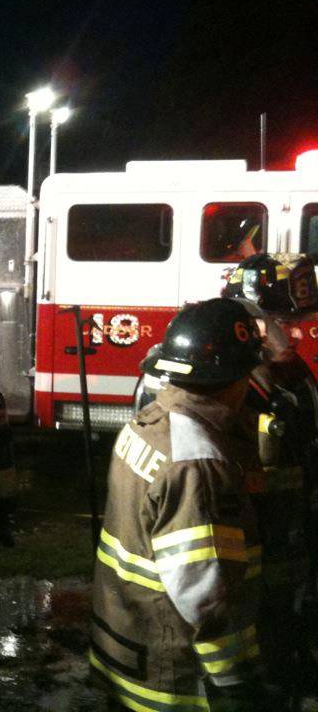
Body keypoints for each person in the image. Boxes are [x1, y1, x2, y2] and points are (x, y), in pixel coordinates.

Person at [90, 298, 266, 711]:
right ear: (237, 377)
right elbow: (205, 593)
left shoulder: (150, 422)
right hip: (172, 676)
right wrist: (237, 682)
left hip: (125, 649)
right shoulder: (198, 462)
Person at [221, 252, 318, 704]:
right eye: (274, 319)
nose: (287, 330)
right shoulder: (233, 377)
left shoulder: (281, 370)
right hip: (253, 523)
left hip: (288, 519)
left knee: (286, 608)